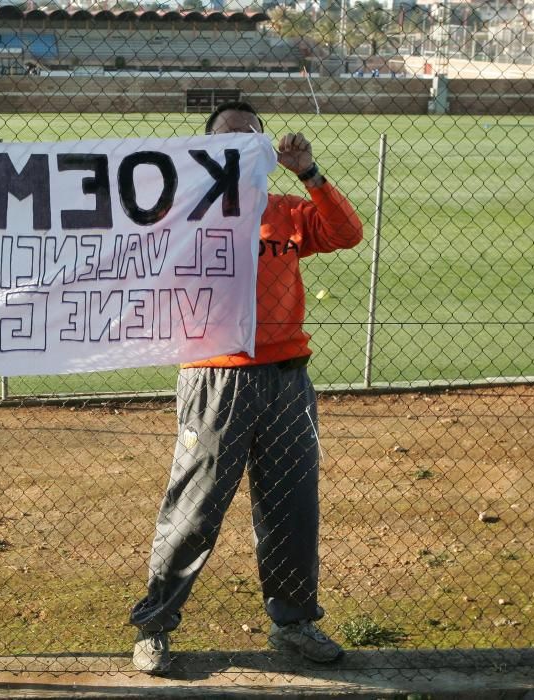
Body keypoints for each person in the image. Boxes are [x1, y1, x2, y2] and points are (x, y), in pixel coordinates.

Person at [129, 102, 363, 674]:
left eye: (249, 136)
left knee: (291, 507)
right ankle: (154, 625)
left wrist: (308, 173)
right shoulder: (183, 215)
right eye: (226, 138)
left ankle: (293, 623)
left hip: (286, 379)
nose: (238, 145)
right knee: (194, 507)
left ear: (264, 149)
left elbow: (346, 232)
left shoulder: (284, 212)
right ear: (207, 150)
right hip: (214, 376)